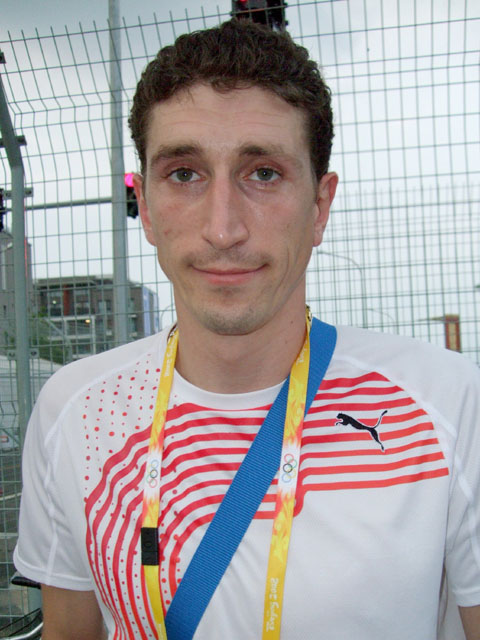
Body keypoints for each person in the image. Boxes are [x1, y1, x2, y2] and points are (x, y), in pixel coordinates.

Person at [14, 18, 480, 640]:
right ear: (145, 207)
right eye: (185, 173)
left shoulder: (448, 405)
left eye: (263, 173)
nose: (223, 229)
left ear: (320, 205)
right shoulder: (74, 412)